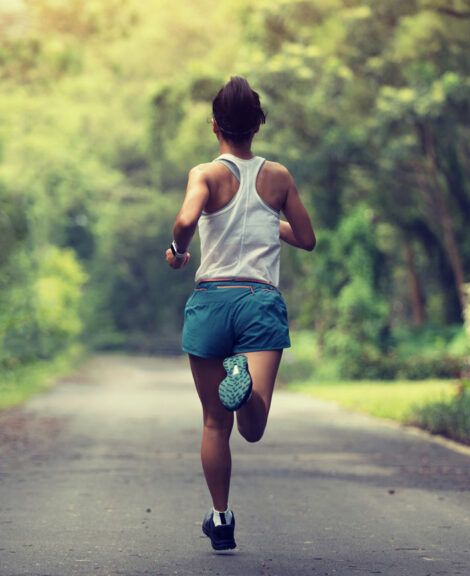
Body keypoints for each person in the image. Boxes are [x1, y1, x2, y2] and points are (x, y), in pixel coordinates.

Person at [164, 76, 316, 552]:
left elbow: (187, 220)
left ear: (215, 127)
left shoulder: (205, 174)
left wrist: (177, 250)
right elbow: (308, 239)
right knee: (252, 428)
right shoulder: (279, 177)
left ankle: (221, 519)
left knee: (214, 423)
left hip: (212, 300)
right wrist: (273, 221)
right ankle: (244, 386)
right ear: (259, 124)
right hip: (259, 302)